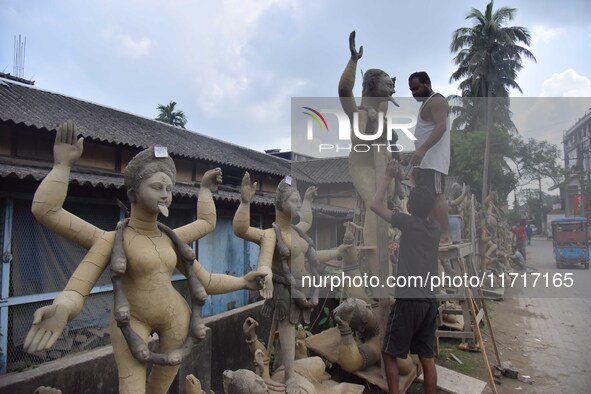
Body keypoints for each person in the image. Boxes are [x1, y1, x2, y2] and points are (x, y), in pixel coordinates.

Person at [24, 121, 266, 394]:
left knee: (159, 390)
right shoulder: (112, 239)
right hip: (131, 322)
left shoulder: (171, 239)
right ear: (133, 193)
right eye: (156, 187)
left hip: (177, 320)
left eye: (169, 189)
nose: (165, 194)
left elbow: (207, 273)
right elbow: (48, 212)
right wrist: (63, 308)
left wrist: (244, 282)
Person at [233, 172, 348, 393]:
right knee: (287, 330)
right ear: (280, 203)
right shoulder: (271, 234)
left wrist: (337, 251)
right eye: (293, 201)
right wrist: (245, 203)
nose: (297, 205)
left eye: (297, 201)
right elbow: (242, 231)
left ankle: (289, 369)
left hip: (300, 290)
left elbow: (311, 245)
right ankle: (289, 376)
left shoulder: (297, 232)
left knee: (294, 331)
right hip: (284, 292)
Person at [370, 160, 439, 394]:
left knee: (389, 353)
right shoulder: (435, 229)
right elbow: (420, 257)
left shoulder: (408, 223)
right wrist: (398, 262)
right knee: (427, 359)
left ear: (408, 206)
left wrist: (388, 177)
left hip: (409, 302)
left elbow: (375, 205)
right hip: (429, 302)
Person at [338, 30, 399, 278]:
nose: (392, 87)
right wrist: (354, 61)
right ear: (372, 86)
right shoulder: (359, 112)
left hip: (383, 165)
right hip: (362, 165)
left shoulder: (383, 108)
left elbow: (384, 141)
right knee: (376, 206)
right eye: (388, 84)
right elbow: (344, 90)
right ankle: (377, 272)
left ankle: (391, 263)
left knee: (389, 207)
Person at [408, 71, 451, 246]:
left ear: (427, 83)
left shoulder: (437, 101)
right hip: (426, 161)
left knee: (437, 195)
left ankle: (446, 236)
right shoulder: (426, 103)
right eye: (411, 90)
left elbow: (440, 128)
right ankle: (436, 234)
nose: (413, 93)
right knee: (428, 197)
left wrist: (423, 149)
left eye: (416, 88)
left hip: (434, 160)